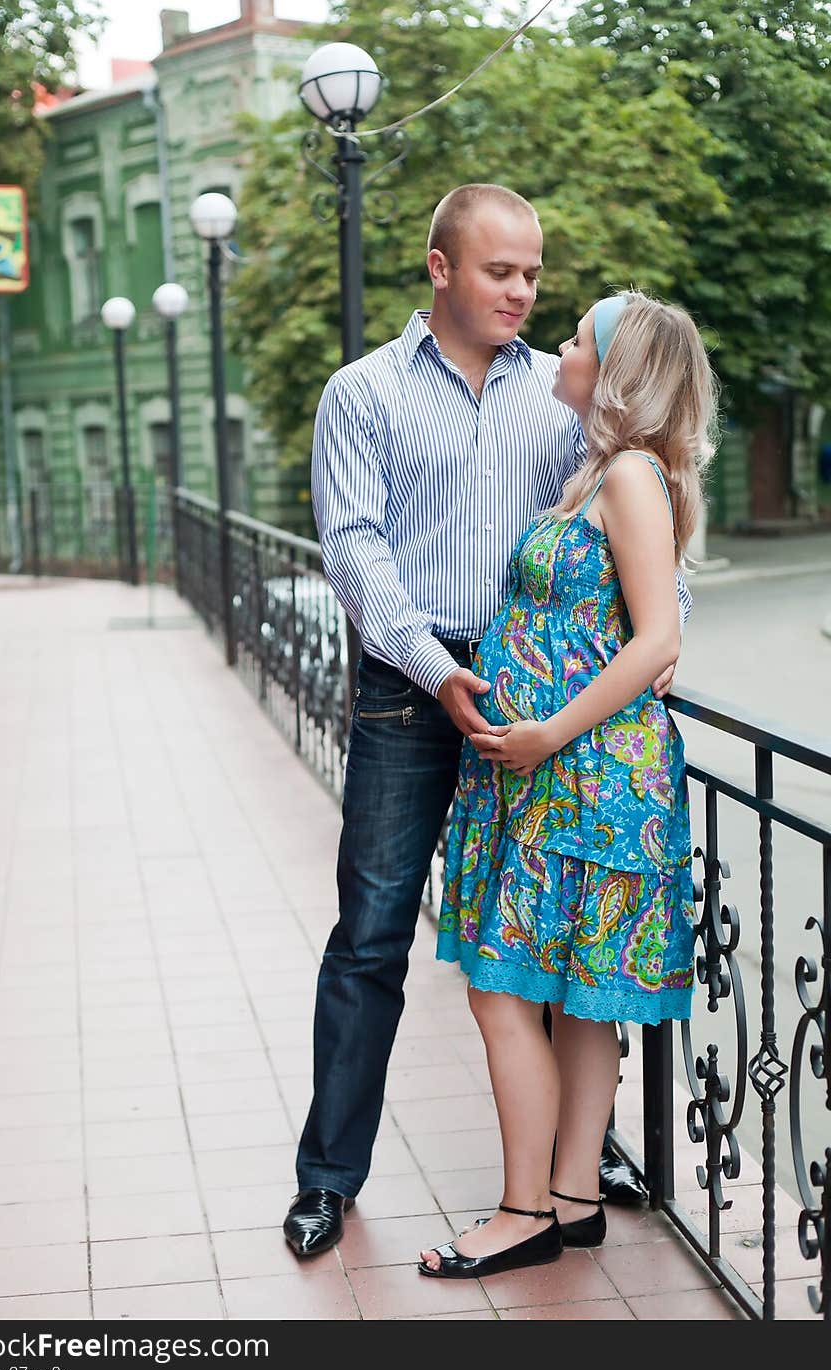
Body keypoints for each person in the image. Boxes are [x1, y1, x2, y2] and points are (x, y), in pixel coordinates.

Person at [284, 185, 687, 1258]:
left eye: (533, 276)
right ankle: (328, 1175)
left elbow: (627, 525)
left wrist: (652, 641)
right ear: (439, 268)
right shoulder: (361, 392)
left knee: (544, 929)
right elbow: (355, 546)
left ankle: (570, 1169)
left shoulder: (561, 399)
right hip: (407, 686)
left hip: (544, 708)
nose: (519, 291)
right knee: (373, 938)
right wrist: (429, 664)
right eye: (499, 271)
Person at [418, 290, 716, 1277]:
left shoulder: (627, 475)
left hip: (583, 776)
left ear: (616, 369)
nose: (557, 347)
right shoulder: (604, 472)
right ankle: (574, 1193)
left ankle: (522, 1208)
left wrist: (544, 732)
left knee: (501, 993)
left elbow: (655, 639)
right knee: (580, 997)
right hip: (570, 777)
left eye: (575, 339)